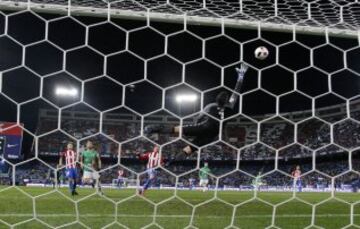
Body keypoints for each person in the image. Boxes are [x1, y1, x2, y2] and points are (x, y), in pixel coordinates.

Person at [145, 63, 249, 157]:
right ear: (227, 101)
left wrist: (194, 127)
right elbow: (236, 93)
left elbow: (199, 117)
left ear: (217, 99)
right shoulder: (229, 108)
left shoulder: (211, 106)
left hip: (203, 127)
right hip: (212, 135)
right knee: (190, 149)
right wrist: (241, 77)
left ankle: (152, 128)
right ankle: (172, 162)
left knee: (177, 129)